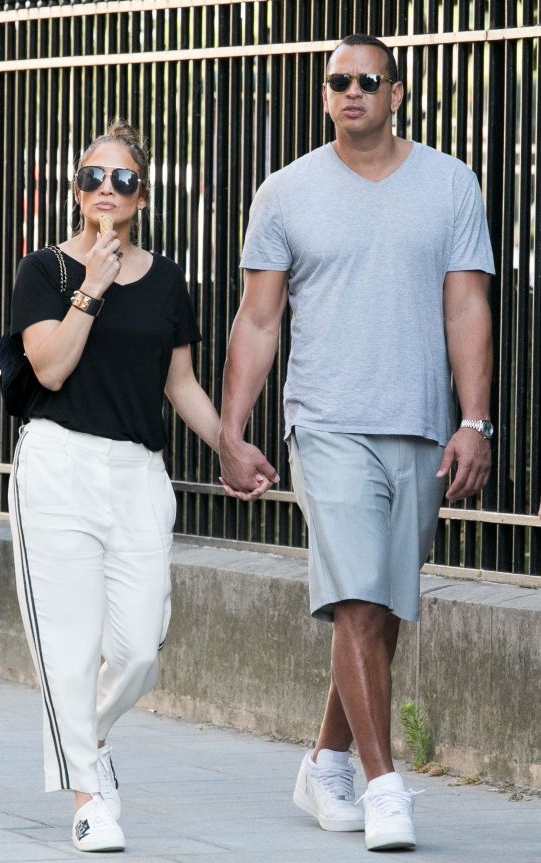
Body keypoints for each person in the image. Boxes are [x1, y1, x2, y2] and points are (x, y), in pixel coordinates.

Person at [219, 34, 494, 853]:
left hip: (416, 422)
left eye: (366, 80)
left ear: (397, 91)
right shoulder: (288, 190)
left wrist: (474, 419)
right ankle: (384, 786)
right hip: (327, 420)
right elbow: (258, 320)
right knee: (360, 598)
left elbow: (467, 308)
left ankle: (326, 760)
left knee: (382, 605)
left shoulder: (450, 183)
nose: (350, 92)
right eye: (337, 81)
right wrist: (233, 431)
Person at [8, 121, 219, 854]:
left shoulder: (165, 280)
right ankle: (90, 797)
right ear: (76, 190)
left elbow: (181, 382)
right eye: (94, 176)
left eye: (122, 179)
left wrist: (230, 443)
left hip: (137, 472)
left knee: (139, 647)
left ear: (142, 195)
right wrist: (92, 286)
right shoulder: (44, 272)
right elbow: (52, 368)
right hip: (58, 465)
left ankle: (83, 742)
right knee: (68, 645)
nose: (107, 188)